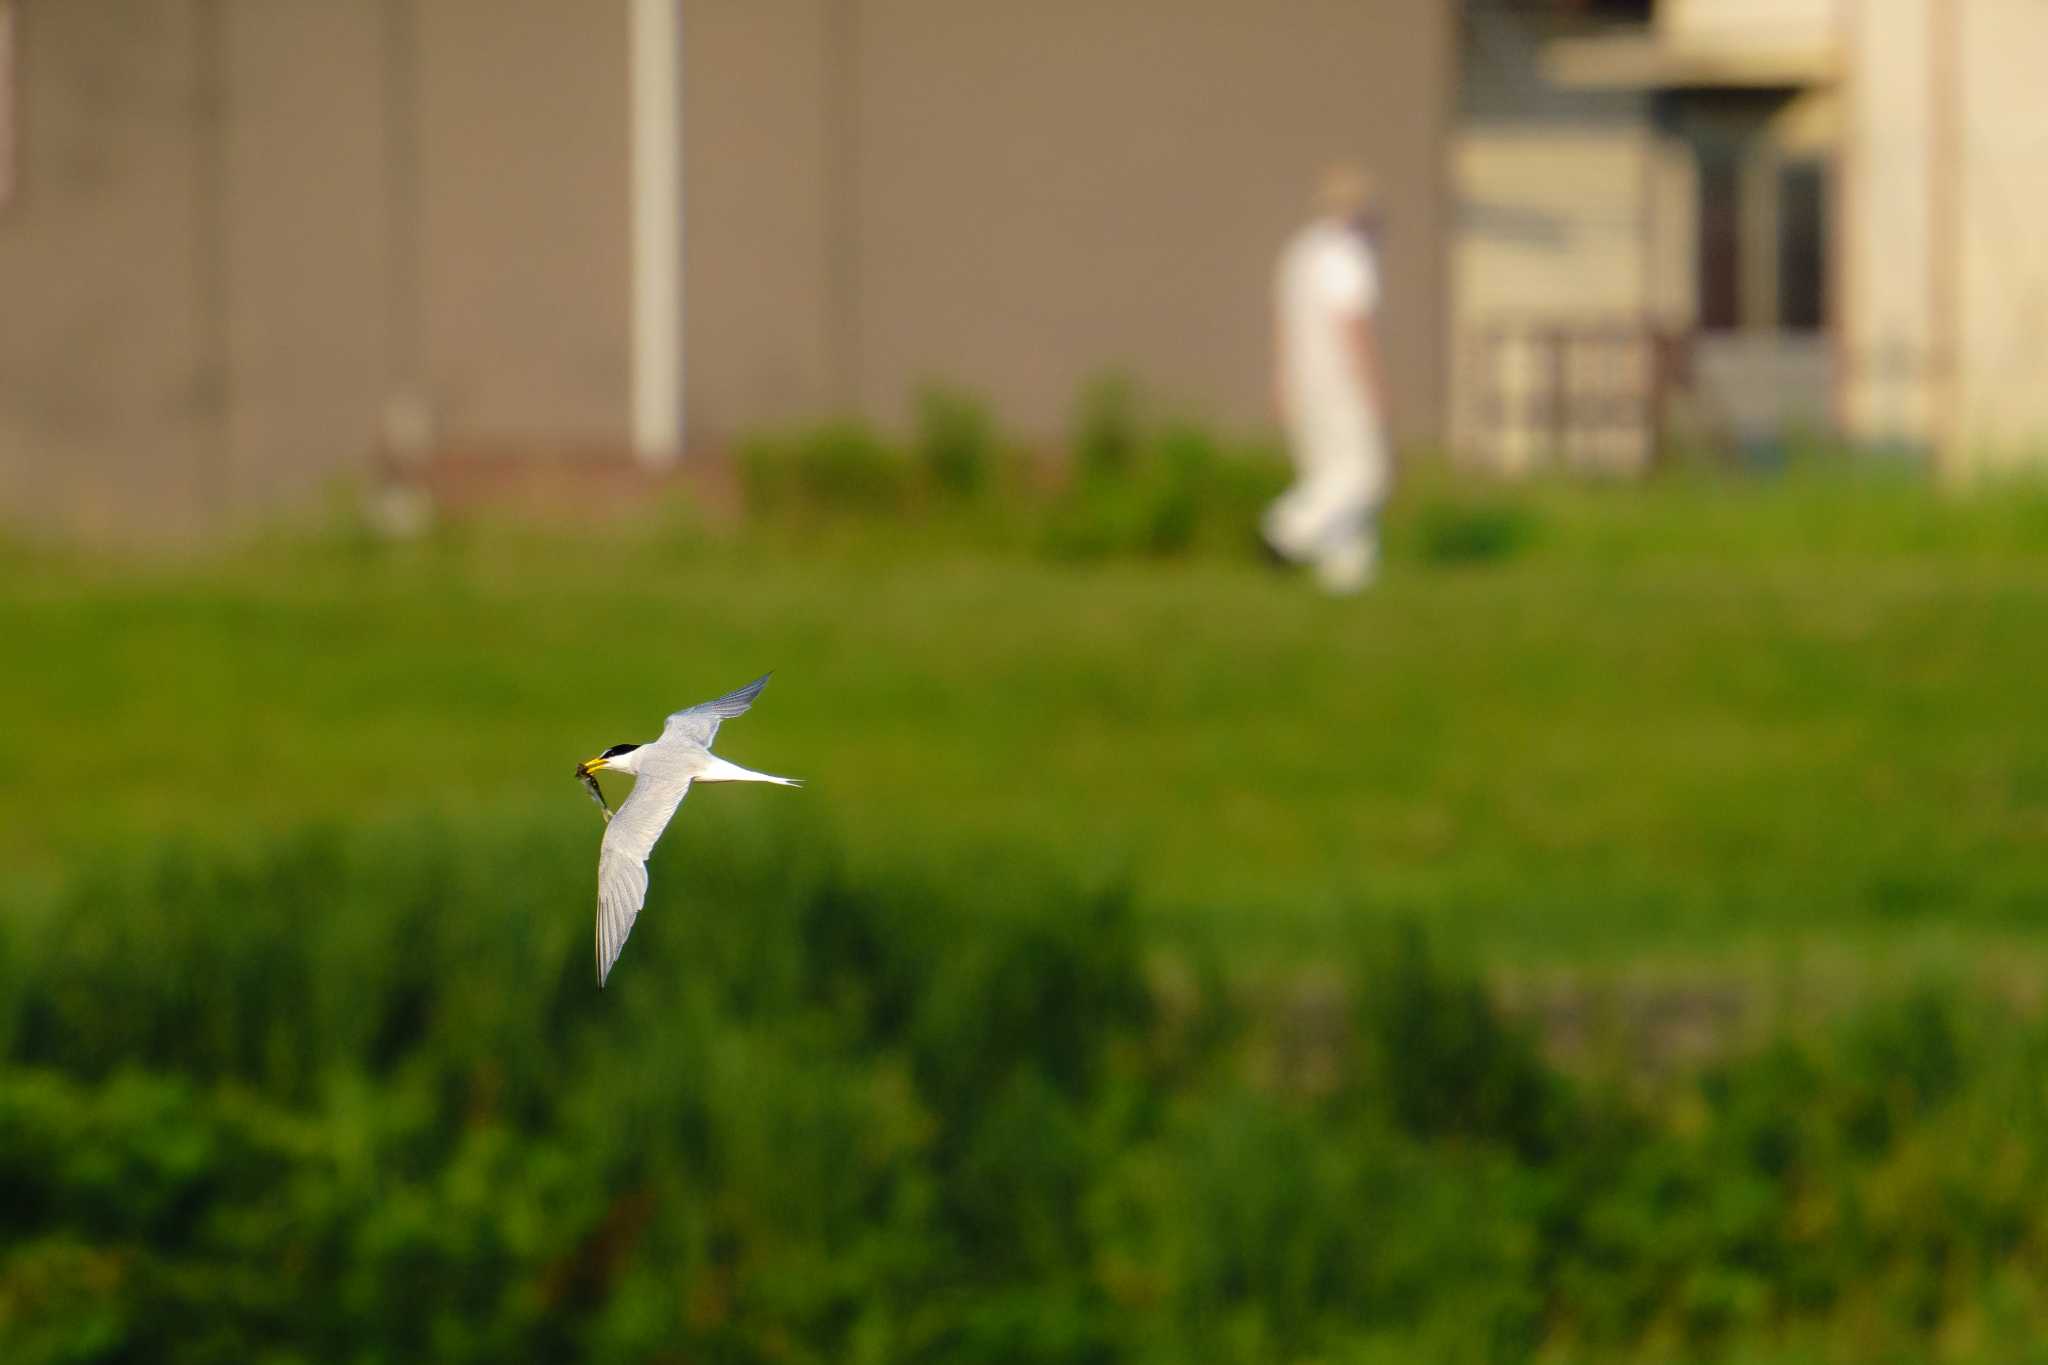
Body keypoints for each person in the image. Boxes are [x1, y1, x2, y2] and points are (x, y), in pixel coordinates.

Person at [1264, 164, 1391, 594]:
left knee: (1327, 473)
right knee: (1366, 475)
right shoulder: (1345, 254)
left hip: (1303, 382)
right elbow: (1351, 325)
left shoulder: (1299, 252)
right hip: (1342, 384)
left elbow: (1285, 324)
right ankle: (1286, 530)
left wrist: (1281, 381)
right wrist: (1375, 386)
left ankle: (1346, 579)